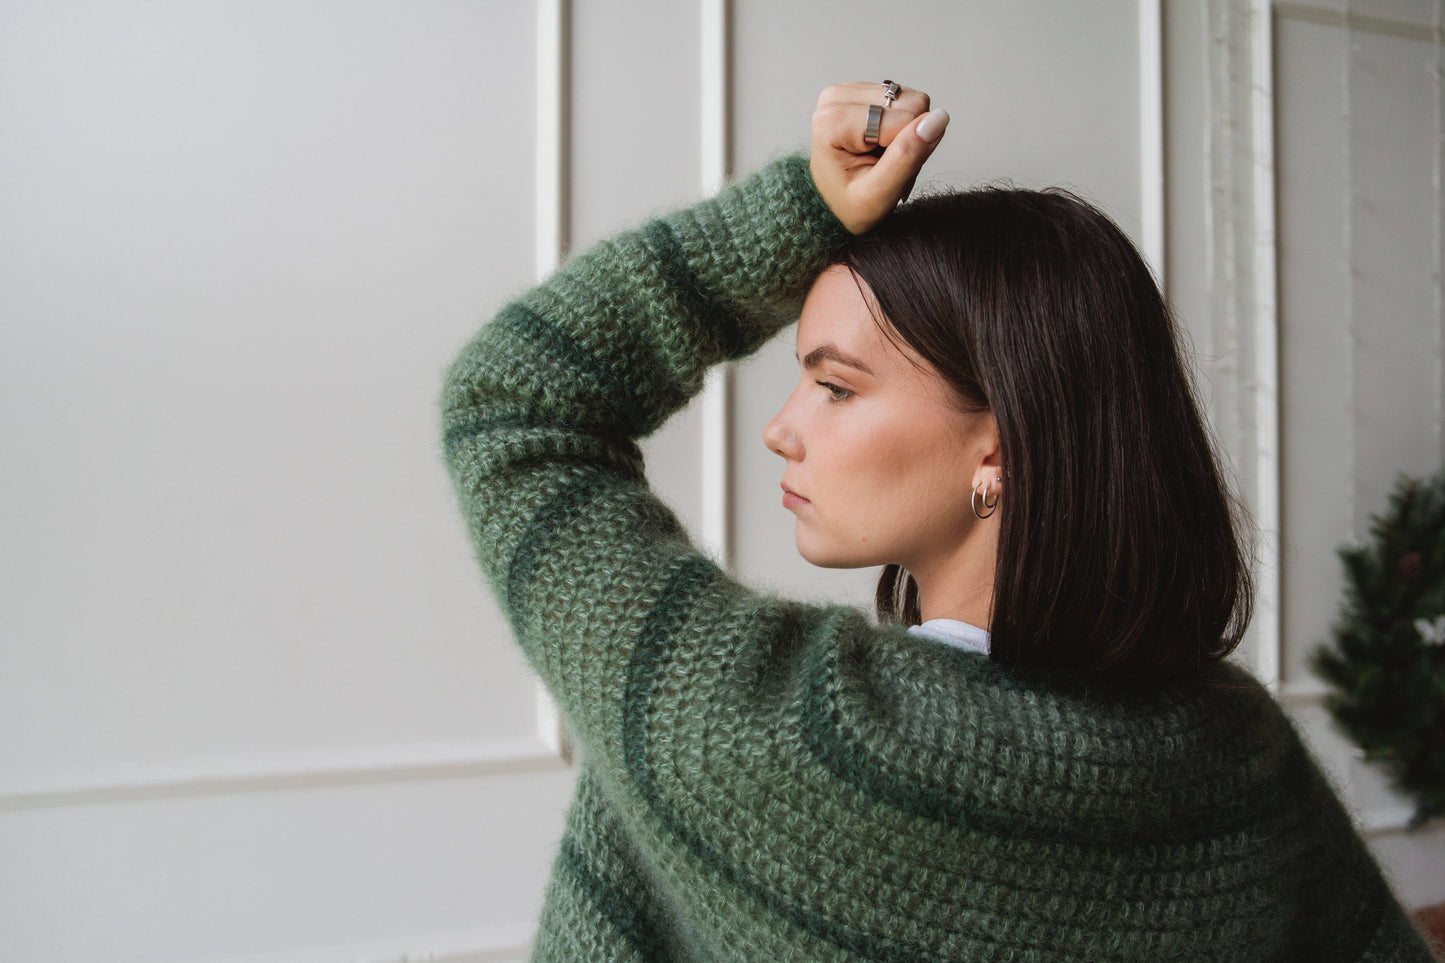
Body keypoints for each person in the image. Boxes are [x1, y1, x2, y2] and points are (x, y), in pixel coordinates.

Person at [441, 82, 1433, 961]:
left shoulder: (758, 731)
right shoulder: (1240, 763)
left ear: (997, 447)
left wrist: (802, 208)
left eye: (833, 387)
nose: (780, 430)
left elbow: (515, 405)